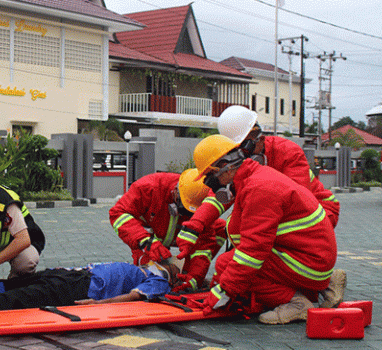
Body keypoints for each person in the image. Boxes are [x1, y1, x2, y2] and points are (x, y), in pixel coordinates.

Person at [181, 106, 345, 307]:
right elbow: (218, 198)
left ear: (252, 139)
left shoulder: (286, 154)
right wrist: (194, 226)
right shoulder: (244, 167)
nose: (239, 151)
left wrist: (224, 289)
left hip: (319, 210)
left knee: (252, 254)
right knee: (243, 254)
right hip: (287, 215)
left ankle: (316, 288)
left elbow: (298, 200)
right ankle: (301, 281)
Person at [193, 135, 338, 324]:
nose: (211, 185)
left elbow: (252, 253)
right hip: (307, 256)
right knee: (229, 265)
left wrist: (222, 291)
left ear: (225, 168)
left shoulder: (259, 188)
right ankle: (309, 290)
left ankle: (297, 303)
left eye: (209, 178)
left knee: (229, 265)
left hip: (309, 262)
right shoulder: (253, 178)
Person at [109, 169, 226, 292]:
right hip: (147, 238)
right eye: (184, 209)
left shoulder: (202, 198)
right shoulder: (148, 187)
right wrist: (145, 242)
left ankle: (183, 275)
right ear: (176, 192)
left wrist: (195, 276)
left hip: (179, 236)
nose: (187, 214)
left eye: (193, 213)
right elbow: (117, 214)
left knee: (219, 227)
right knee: (151, 276)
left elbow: (204, 244)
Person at [0, 260, 182, 314]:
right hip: (73, 277)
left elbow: (134, 296)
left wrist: (98, 305)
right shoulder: (141, 268)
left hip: (82, 287)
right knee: (11, 286)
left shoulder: (159, 281)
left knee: (16, 295)